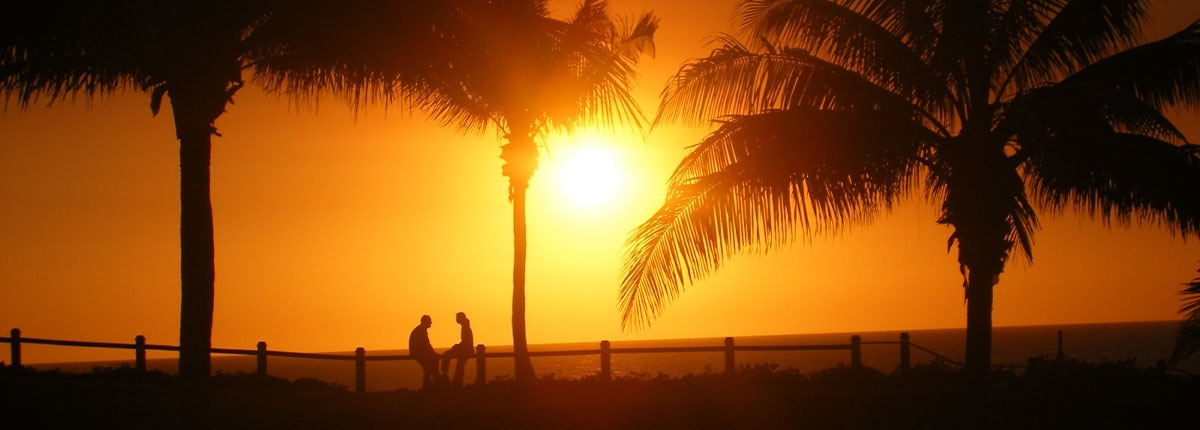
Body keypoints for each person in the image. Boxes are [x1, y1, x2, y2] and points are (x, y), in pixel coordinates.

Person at [440, 312, 474, 386]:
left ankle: (445, 374)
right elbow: (465, 341)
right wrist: (458, 345)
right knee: (459, 365)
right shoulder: (465, 326)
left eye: (457, 317)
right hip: (466, 349)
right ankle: (456, 381)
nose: (456, 319)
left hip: (466, 350)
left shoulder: (465, 327)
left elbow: (466, 341)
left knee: (447, 355)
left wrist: (458, 346)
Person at [408, 315, 440, 389]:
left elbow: (426, 345)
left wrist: (432, 353)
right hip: (418, 353)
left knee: (429, 368)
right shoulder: (421, 330)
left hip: (419, 352)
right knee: (429, 368)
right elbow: (426, 345)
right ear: (425, 322)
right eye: (429, 321)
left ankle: (430, 384)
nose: (431, 323)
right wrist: (433, 353)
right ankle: (428, 385)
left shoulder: (421, 330)